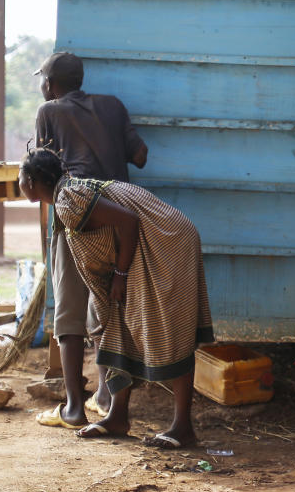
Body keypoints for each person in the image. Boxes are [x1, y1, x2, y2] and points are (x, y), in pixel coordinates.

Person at [19, 146, 214, 449]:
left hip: (166, 245)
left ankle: (182, 427)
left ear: (31, 181)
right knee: (118, 330)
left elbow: (129, 222)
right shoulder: (69, 194)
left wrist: (121, 276)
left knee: (168, 331)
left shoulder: (68, 200)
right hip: (150, 246)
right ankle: (118, 417)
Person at [32, 52, 149, 431]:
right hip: (119, 213)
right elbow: (140, 155)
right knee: (108, 307)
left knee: (70, 311)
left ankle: (73, 407)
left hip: (78, 212)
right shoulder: (113, 106)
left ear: (49, 84)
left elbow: (43, 168)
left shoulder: (49, 111)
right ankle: (104, 396)